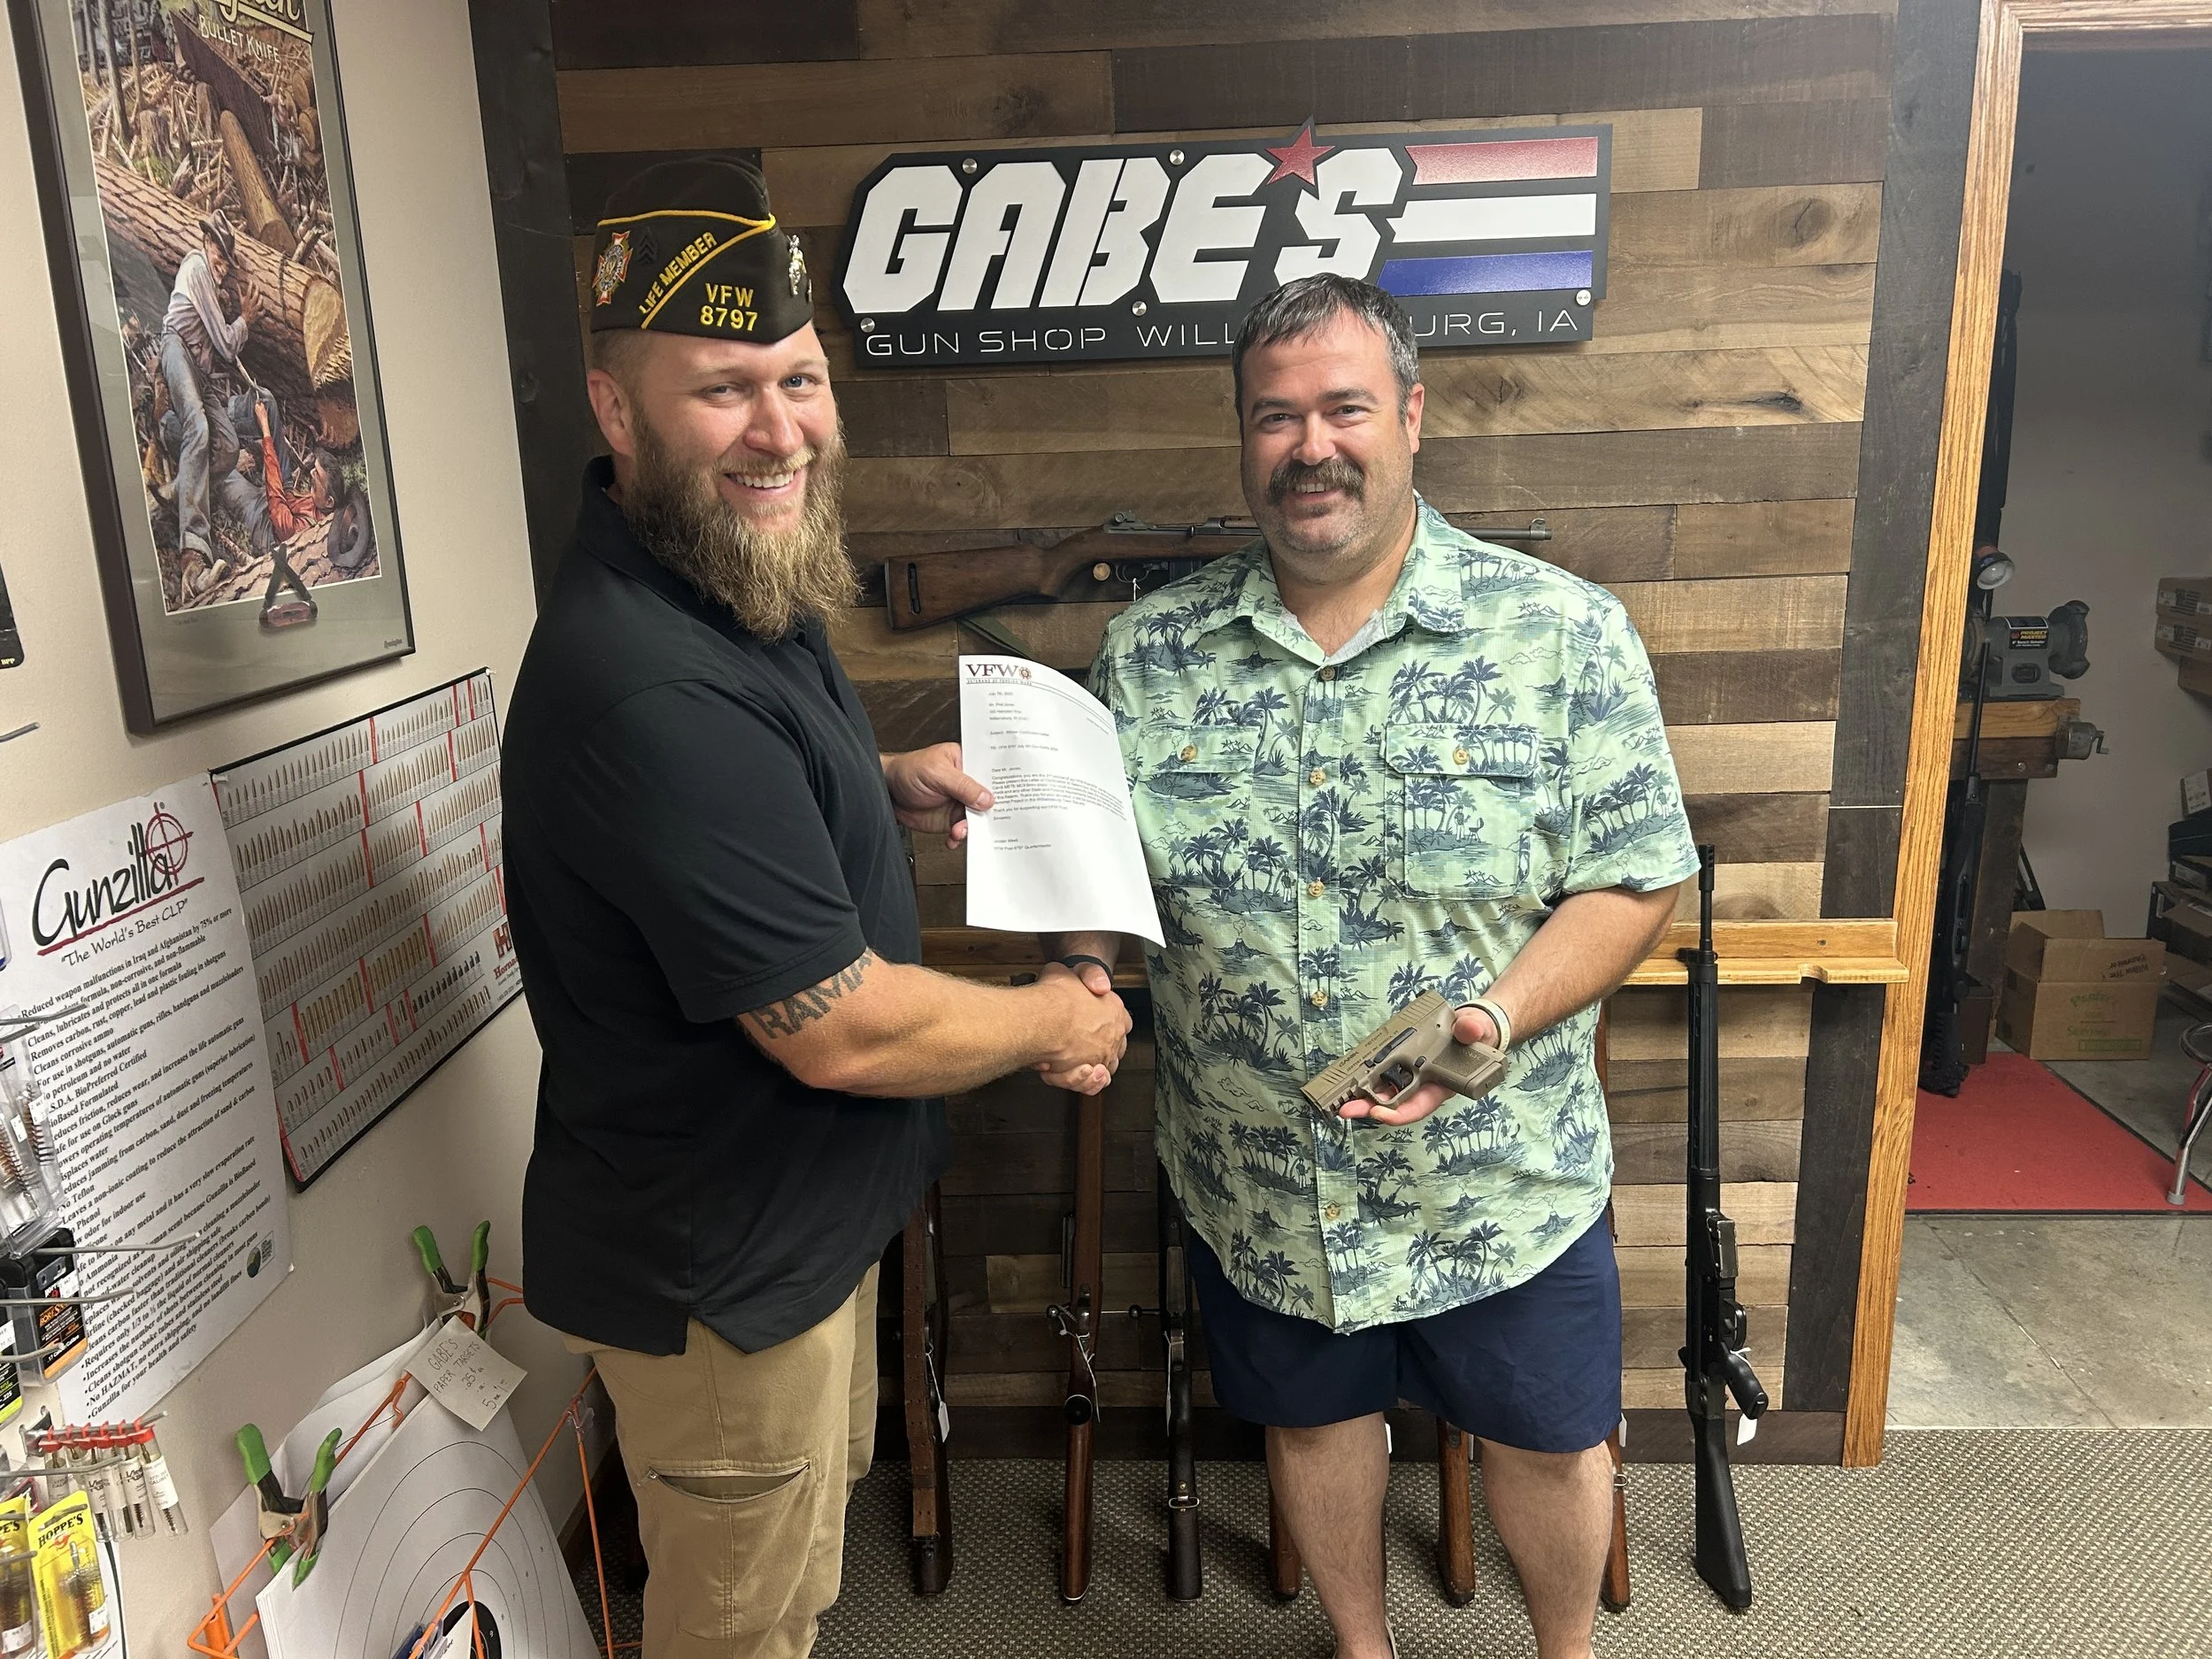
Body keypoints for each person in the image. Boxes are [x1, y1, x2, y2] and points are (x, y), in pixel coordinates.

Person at [501, 157, 1129, 1659]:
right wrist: (1057, 1013)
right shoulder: (649, 681)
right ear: (616, 411)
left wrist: (875, 777)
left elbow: (757, 773)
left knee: (794, 1588)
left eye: (800, 379)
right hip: (723, 1281)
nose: (780, 428)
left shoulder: (718, 580)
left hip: (794, 1240)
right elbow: (839, 1033)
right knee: (740, 1632)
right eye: (724, 390)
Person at [1051, 274, 1698, 1659]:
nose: (1310, 444)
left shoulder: (1561, 631)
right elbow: (1100, 885)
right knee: (1311, 1419)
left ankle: (1566, 1651)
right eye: (1274, 416)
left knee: (1545, 1436)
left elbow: (1638, 877)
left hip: (1501, 1174)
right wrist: (1081, 974)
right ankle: (1360, 1639)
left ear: (1410, 413)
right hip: (1262, 1177)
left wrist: (1495, 1010)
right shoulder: (1147, 654)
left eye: (1343, 406)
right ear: (1244, 439)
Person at [157, 211, 256, 591]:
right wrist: (245, 319)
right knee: (197, 427)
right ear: (206, 244)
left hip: (200, 371)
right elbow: (228, 344)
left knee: (229, 448)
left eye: (226, 258)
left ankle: (181, 488)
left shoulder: (211, 284)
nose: (221, 260)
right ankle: (194, 554)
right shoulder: (196, 267)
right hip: (176, 348)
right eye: (217, 248)